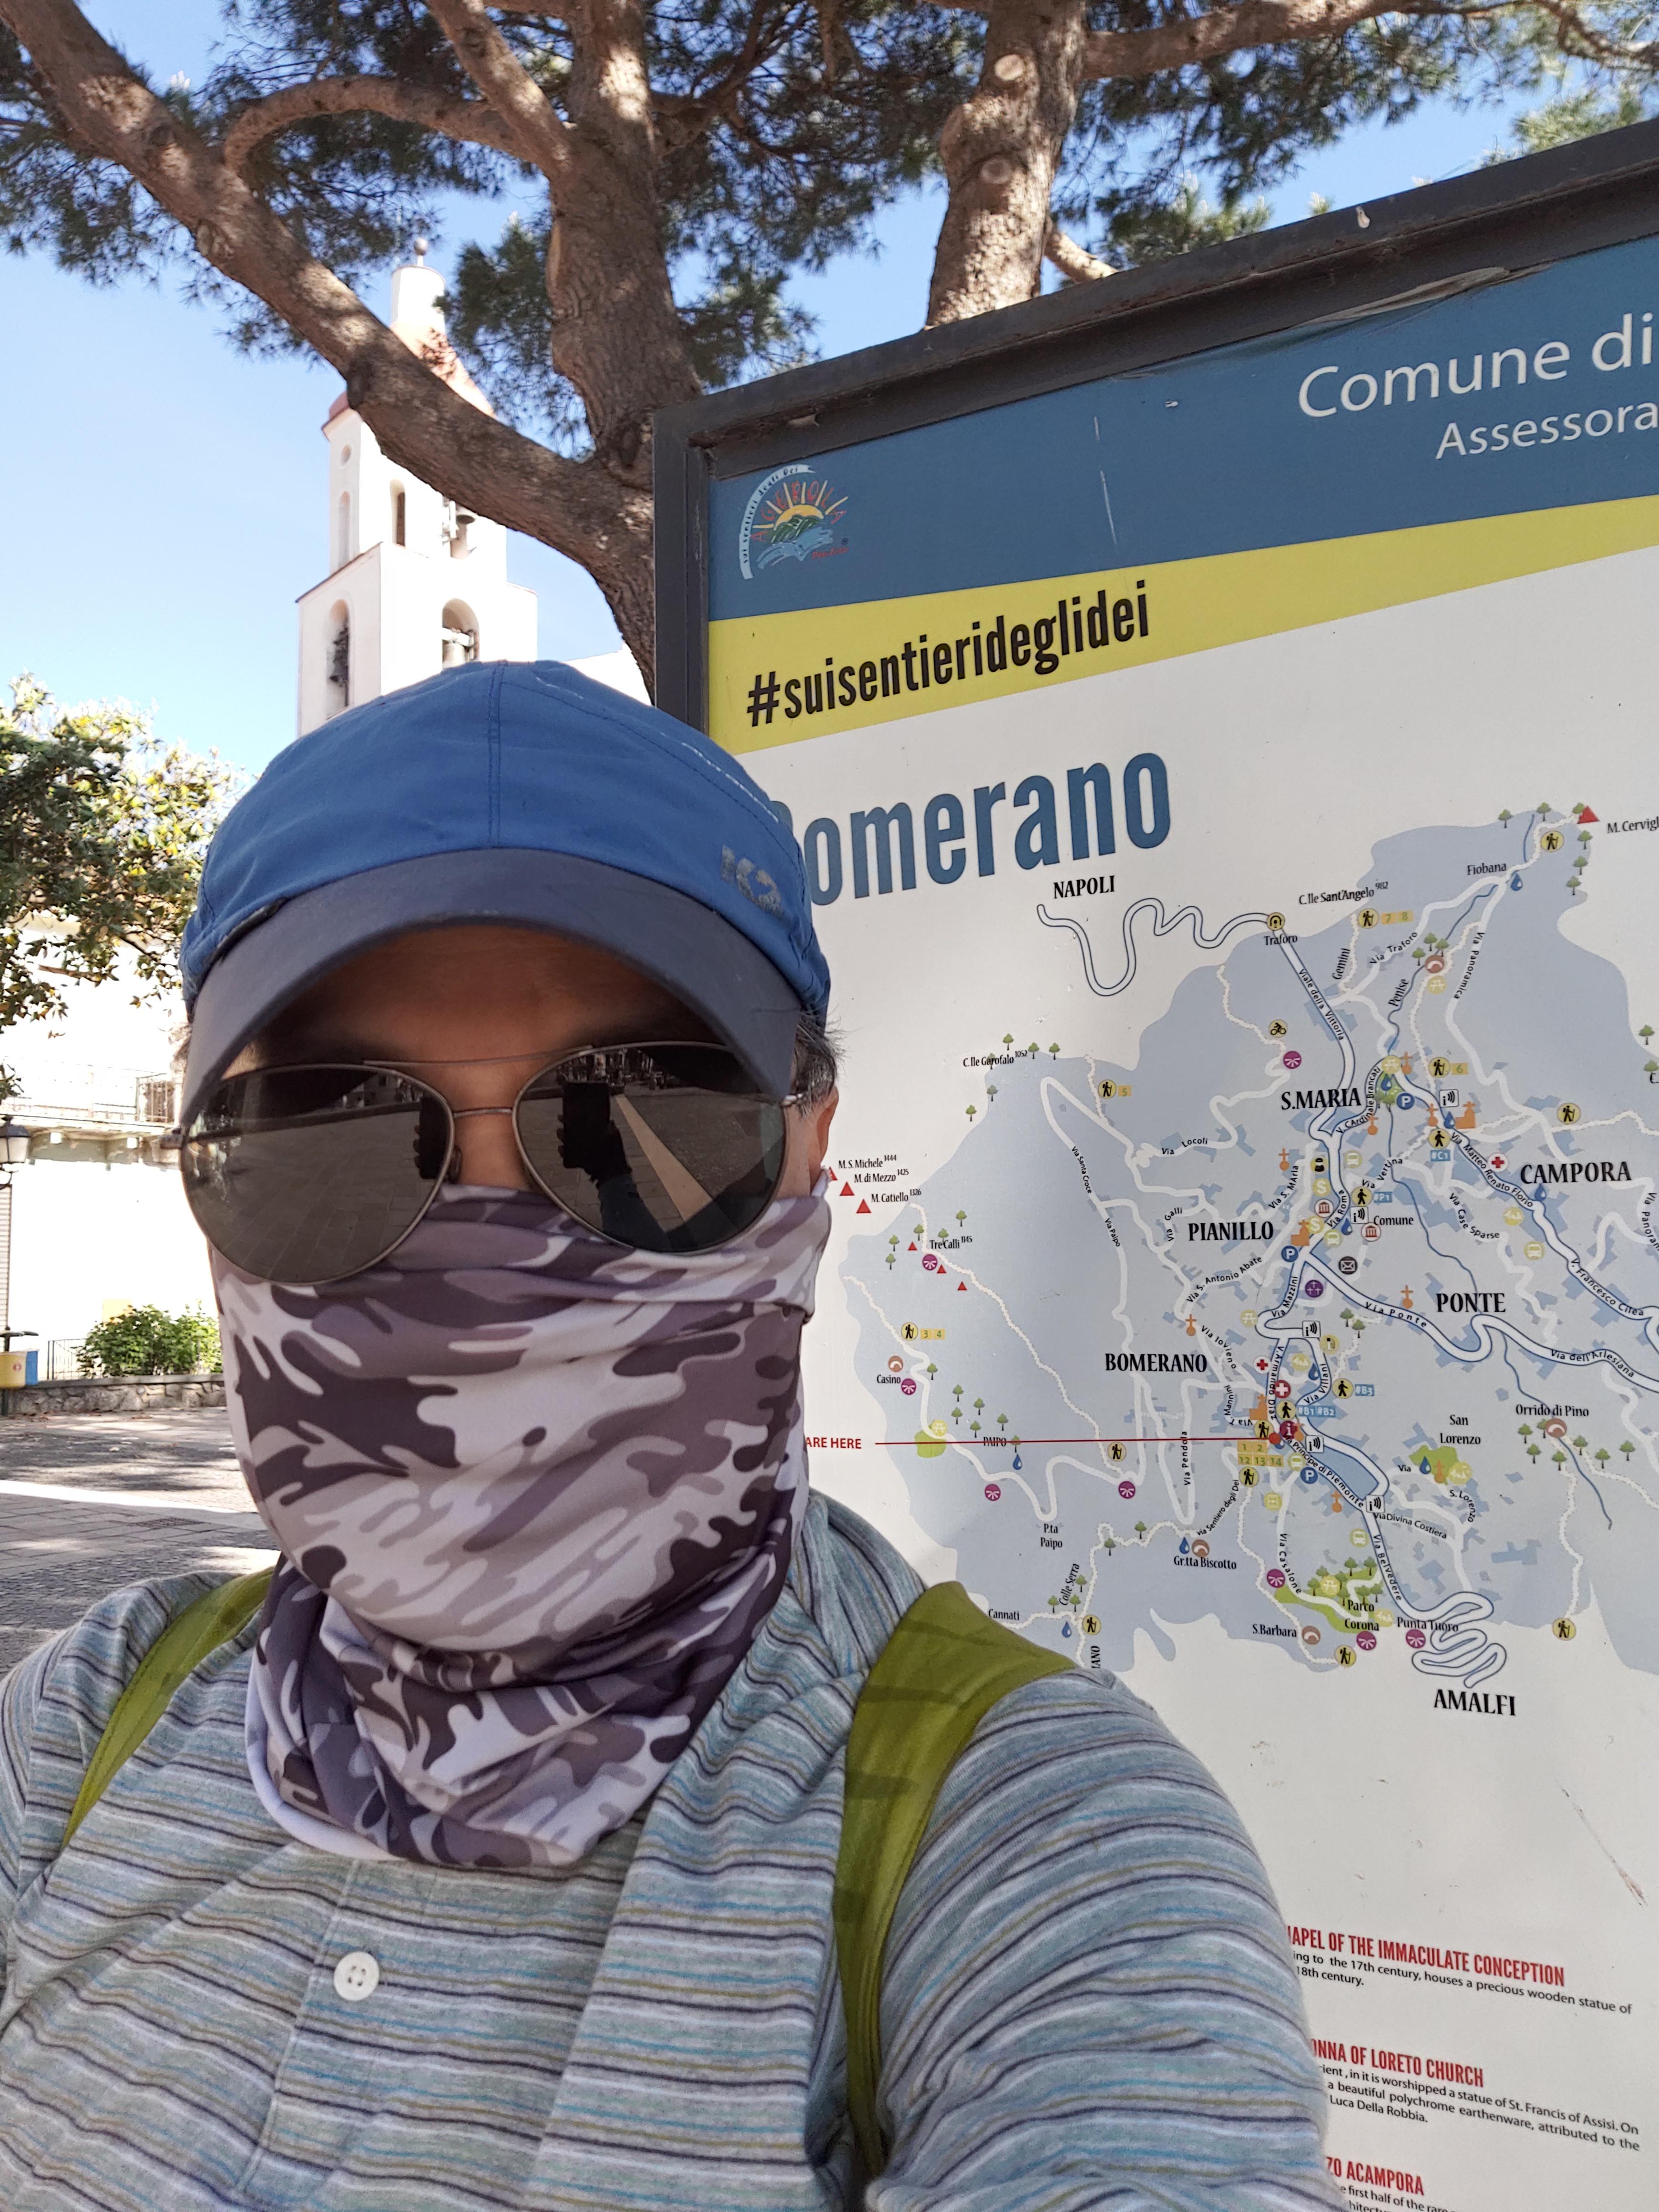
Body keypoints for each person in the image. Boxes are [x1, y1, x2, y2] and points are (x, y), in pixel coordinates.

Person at [0, 661, 1341, 2209]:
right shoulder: (90, 1717)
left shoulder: (1036, 1844)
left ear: (809, 1147)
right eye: (329, 1129)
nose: (485, 1259)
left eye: (641, 1123)